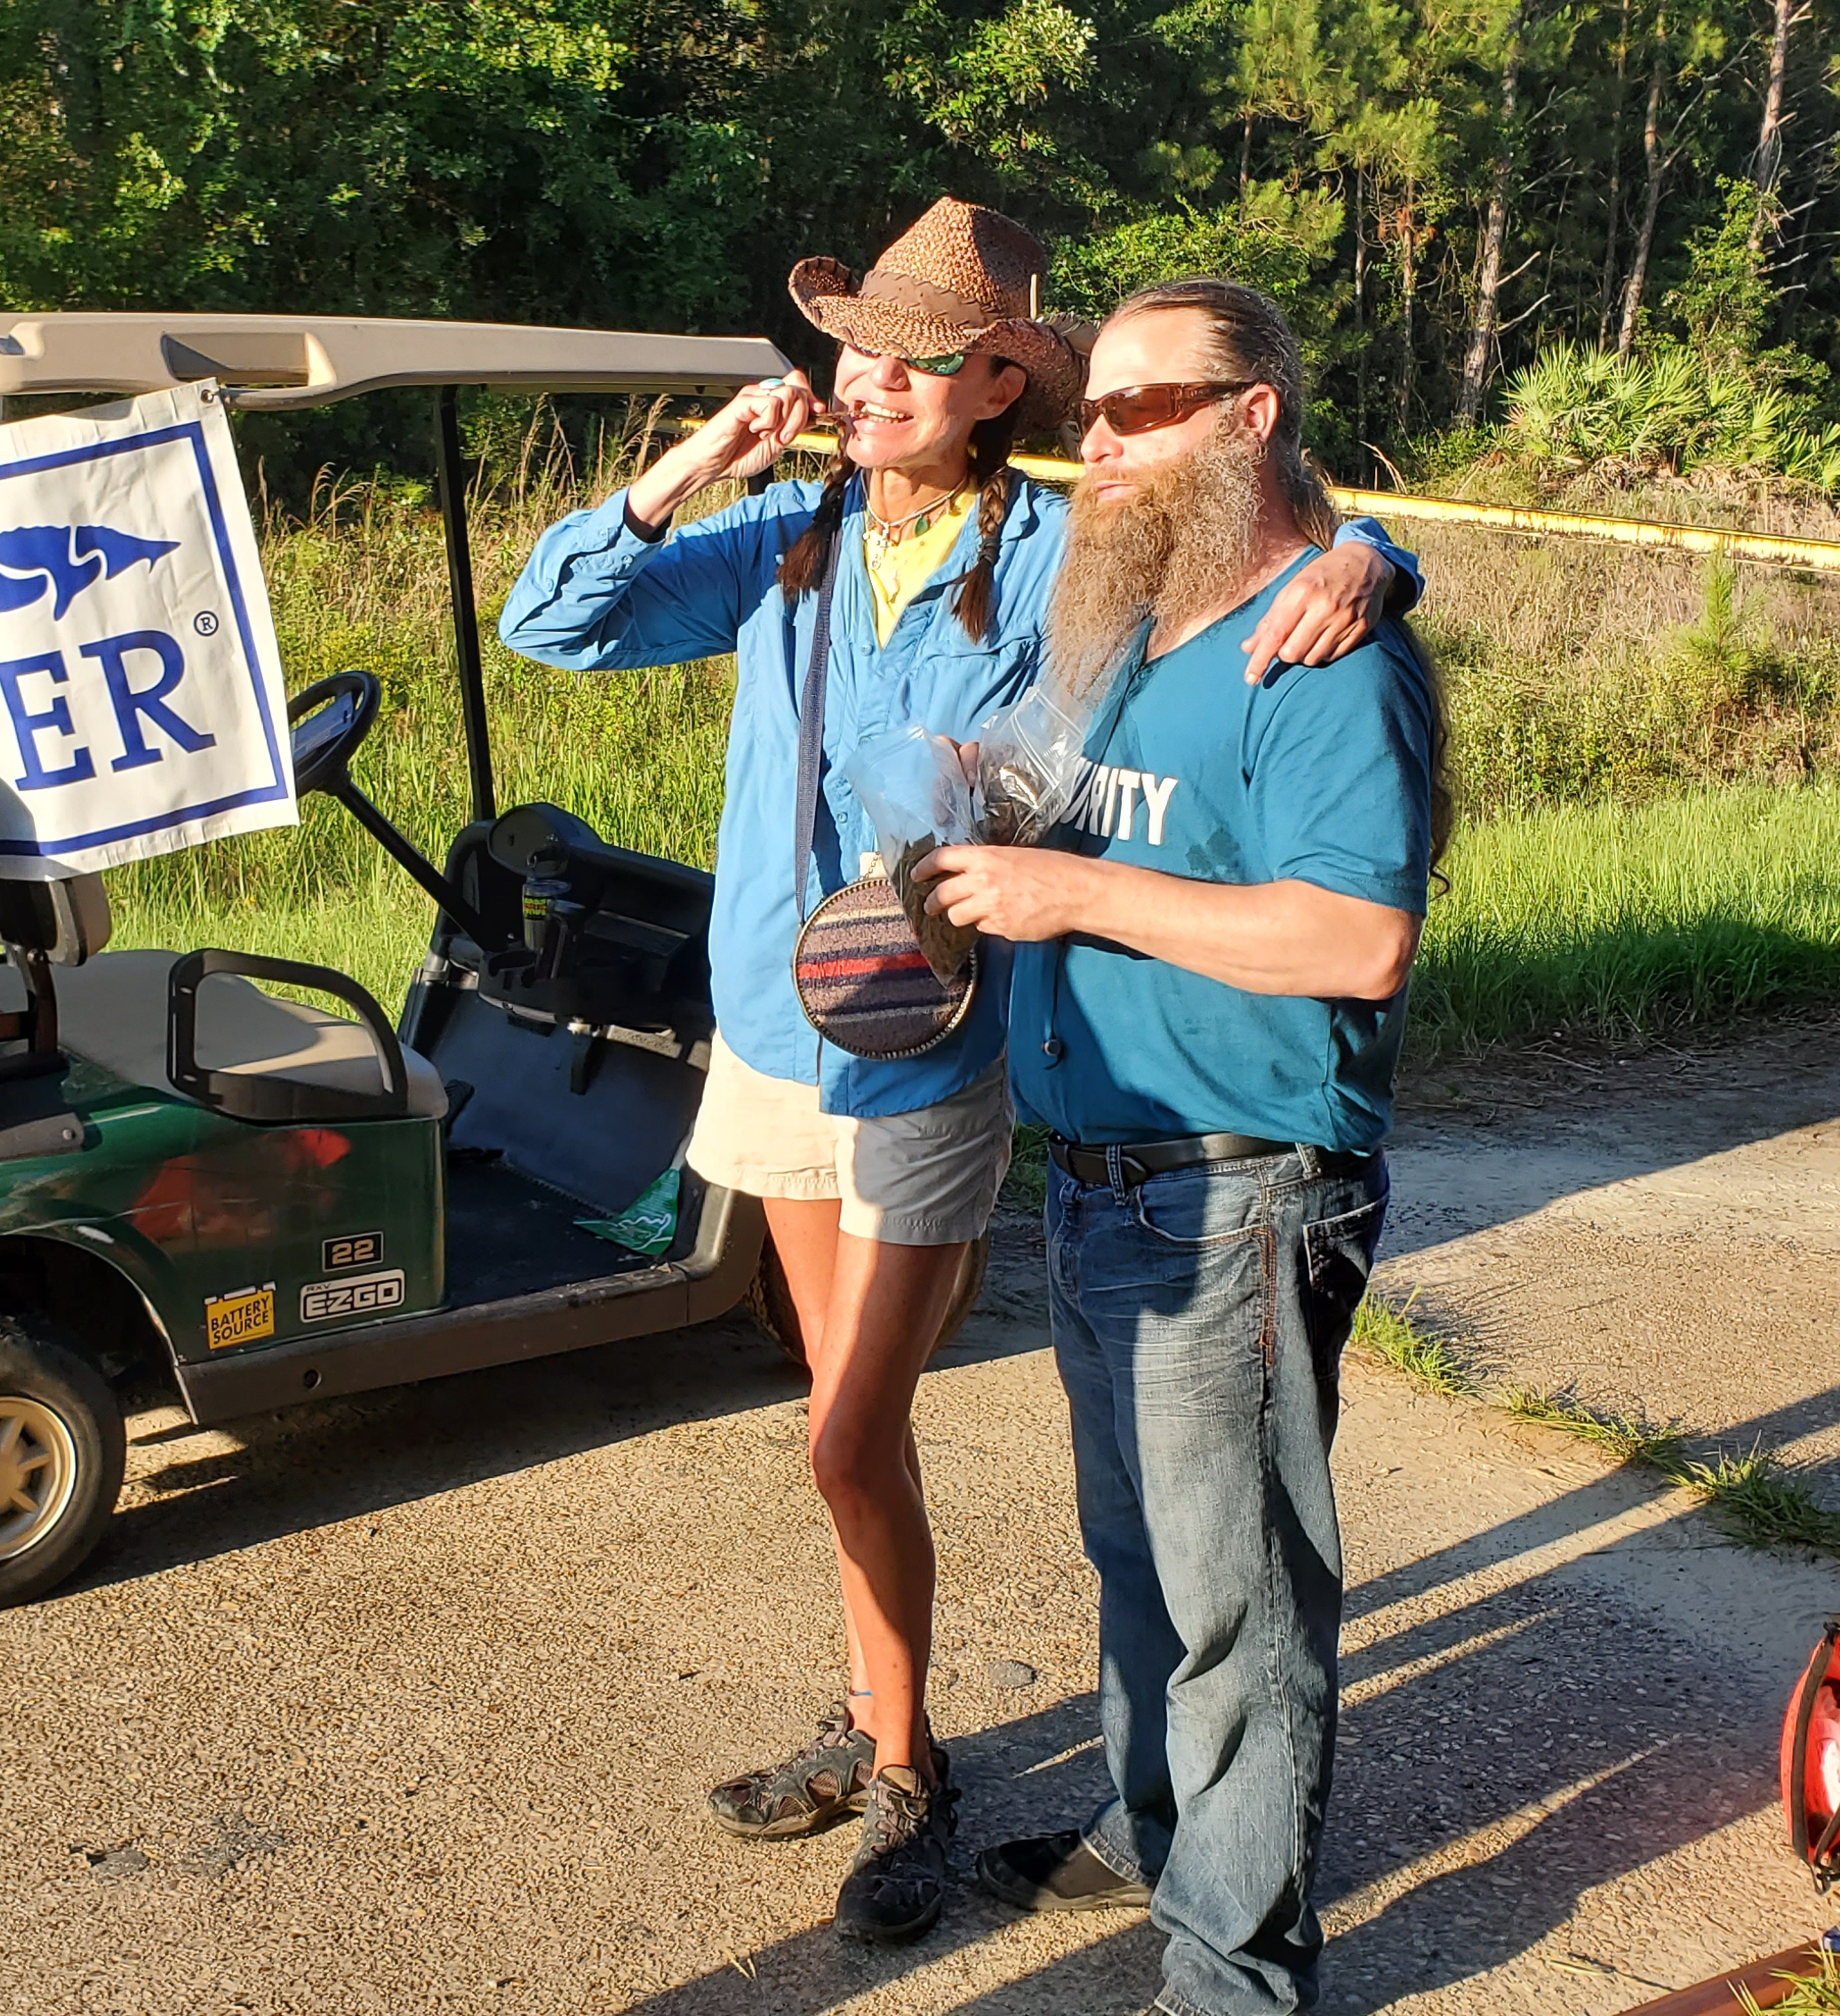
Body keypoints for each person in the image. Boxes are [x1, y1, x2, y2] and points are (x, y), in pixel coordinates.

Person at [499, 204, 1420, 1944]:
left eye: (912, 357)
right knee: (838, 1436)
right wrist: (702, 457)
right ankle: (892, 1737)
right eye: (851, 348)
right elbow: (558, 618)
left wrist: (1379, 553)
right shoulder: (785, 538)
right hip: (774, 1033)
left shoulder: (1068, 550)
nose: (865, 380)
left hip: (932, 1047)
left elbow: (1256, 554)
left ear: (1000, 380)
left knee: (851, 1433)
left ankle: (936, 1780)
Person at [921, 276, 1448, 2016]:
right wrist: (986, 800)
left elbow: (1352, 942)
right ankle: (1152, 1838)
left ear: (1255, 413)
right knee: (1141, 1562)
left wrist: (1071, 893)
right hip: (1099, 1183)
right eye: (1097, 407)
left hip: (1235, 1191)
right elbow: (1084, 800)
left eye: (1147, 404)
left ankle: (1234, 1977)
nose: (1104, 435)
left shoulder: (1331, 648)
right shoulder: (1139, 623)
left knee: (1243, 1618)